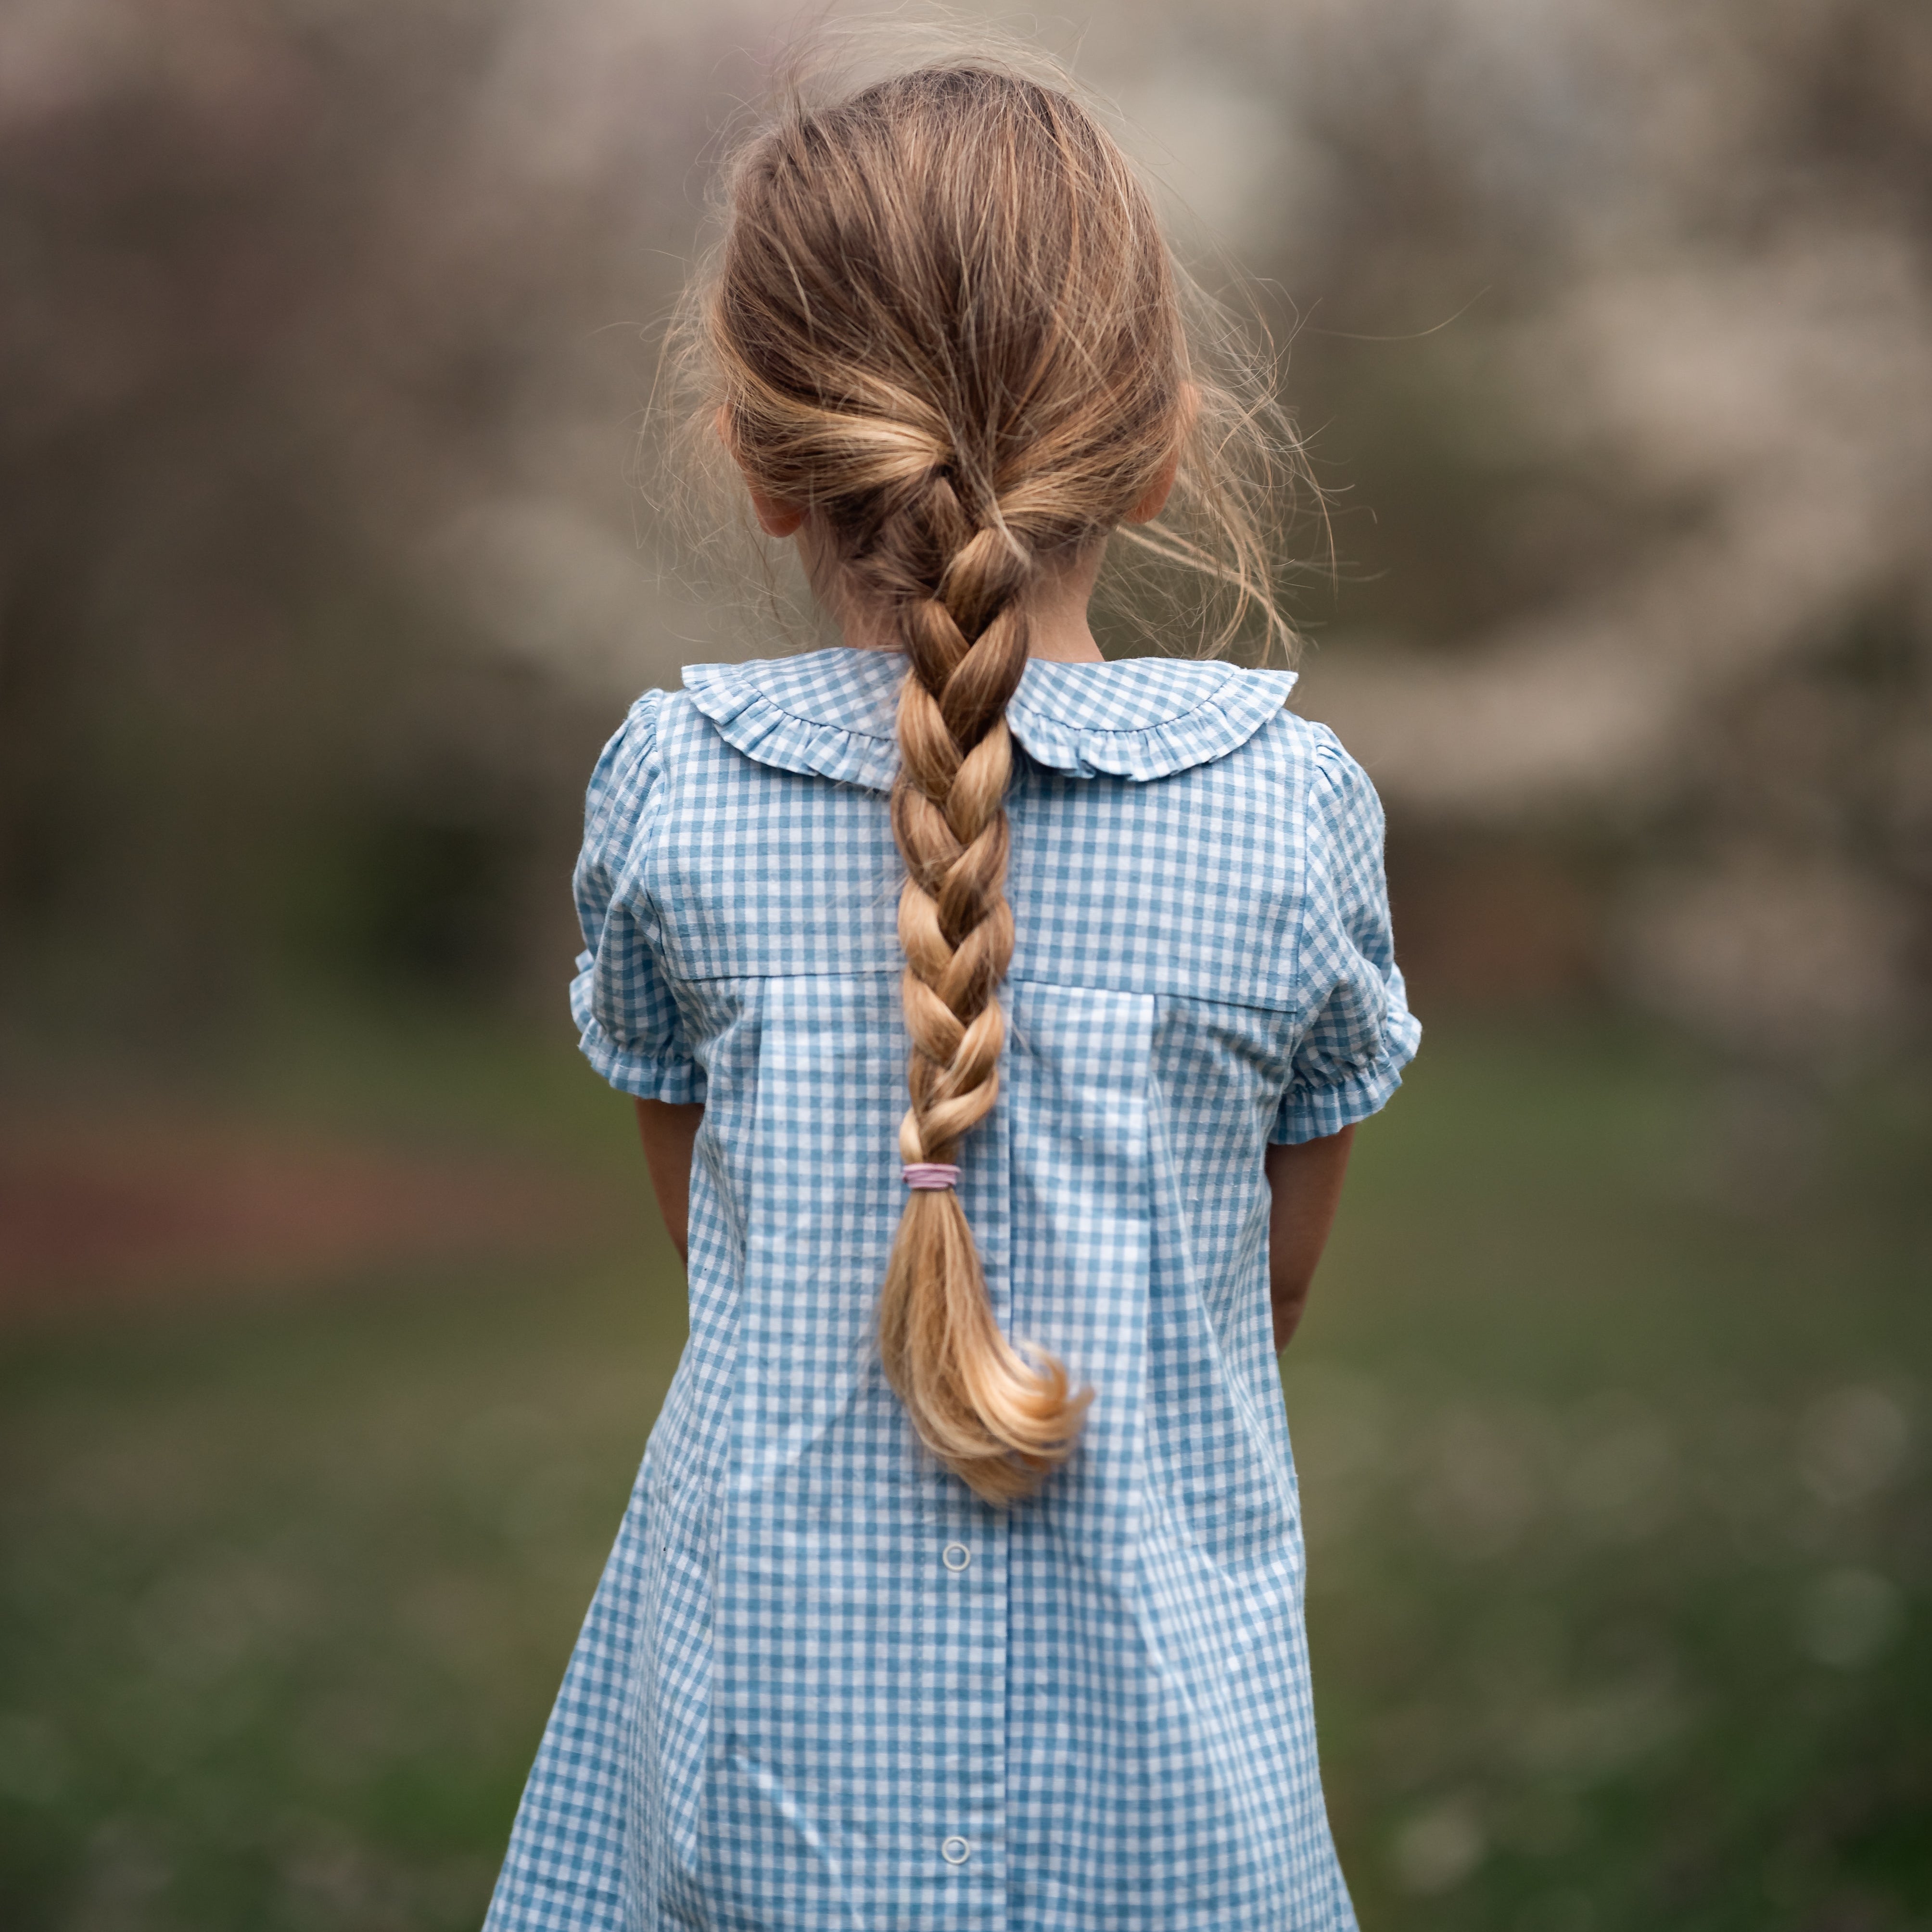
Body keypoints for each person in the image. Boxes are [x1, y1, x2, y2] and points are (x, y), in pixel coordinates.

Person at [484, 51, 1419, 1932]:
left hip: (764, 1781)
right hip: (1168, 1794)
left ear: (761, 461)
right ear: (1155, 446)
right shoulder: (1285, 810)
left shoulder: (676, 789)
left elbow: (722, 1255)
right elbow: (1271, 1281)